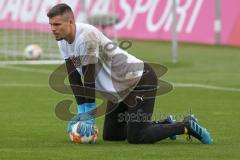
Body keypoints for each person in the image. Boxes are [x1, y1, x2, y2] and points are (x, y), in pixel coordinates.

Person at [47, 3, 212, 144]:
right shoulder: (63, 40)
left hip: (139, 81)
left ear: (71, 21)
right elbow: (74, 77)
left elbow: (88, 77)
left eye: (57, 24)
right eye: (51, 25)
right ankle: (165, 123)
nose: (53, 29)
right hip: (117, 91)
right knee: (112, 136)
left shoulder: (86, 36)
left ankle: (186, 126)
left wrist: (89, 114)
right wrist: (81, 111)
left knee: (137, 136)